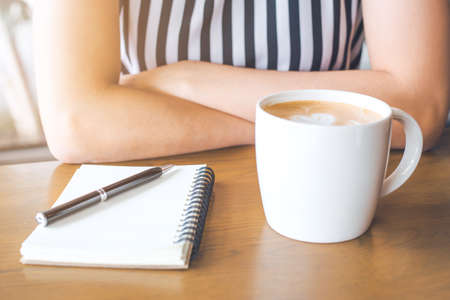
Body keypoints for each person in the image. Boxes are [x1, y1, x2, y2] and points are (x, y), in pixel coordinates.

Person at [33, 0, 449, 163]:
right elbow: (76, 121)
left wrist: (188, 83)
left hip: (326, 183)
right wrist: (304, 127)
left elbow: (418, 108)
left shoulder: (185, 81)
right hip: (155, 194)